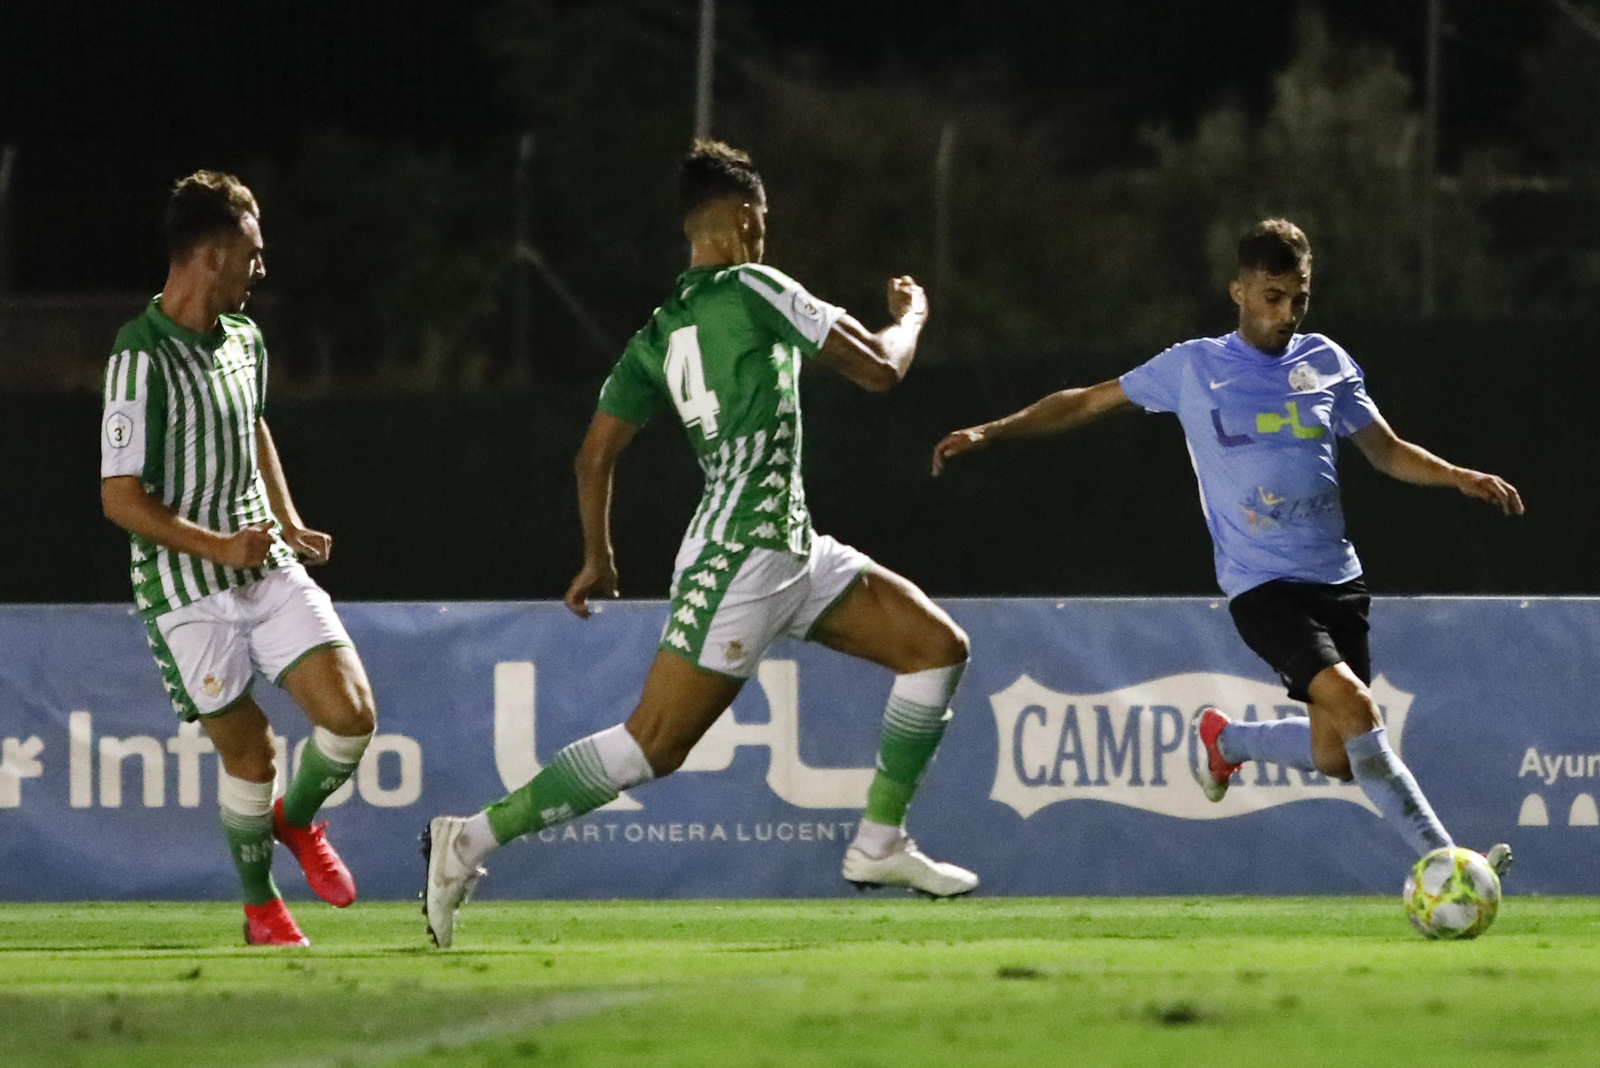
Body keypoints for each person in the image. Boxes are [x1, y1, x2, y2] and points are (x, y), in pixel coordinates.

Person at [422, 140, 976, 947]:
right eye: (766, 221)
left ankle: (879, 843)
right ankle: (467, 839)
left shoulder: (656, 332)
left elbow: (593, 455)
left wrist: (597, 556)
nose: (766, 234)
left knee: (936, 647)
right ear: (748, 219)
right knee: (653, 744)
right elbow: (880, 370)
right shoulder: (755, 285)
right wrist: (912, 317)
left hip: (791, 544)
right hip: (742, 556)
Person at [932, 218, 1521, 875]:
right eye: (1273, 296)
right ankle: (1447, 863)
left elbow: (1384, 450)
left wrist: (1458, 476)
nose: (1287, 313)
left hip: (1338, 580)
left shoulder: (1325, 360)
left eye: (1299, 298)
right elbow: (1085, 403)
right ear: (1238, 291)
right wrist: (991, 430)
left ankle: (1227, 739)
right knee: (1358, 709)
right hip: (1263, 587)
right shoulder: (1194, 367)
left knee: (1336, 754)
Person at [100, 171, 377, 946]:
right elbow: (119, 497)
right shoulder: (138, 357)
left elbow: (251, 429)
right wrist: (217, 544)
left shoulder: (246, 341)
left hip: (263, 565)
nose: (263, 267)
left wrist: (285, 519)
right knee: (251, 757)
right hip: (186, 591)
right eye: (252, 252)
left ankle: (298, 821)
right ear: (211, 256)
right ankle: (260, 908)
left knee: (352, 718)